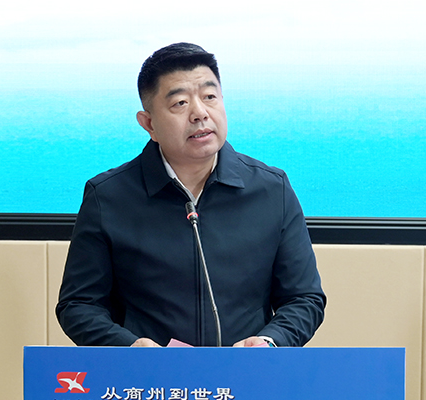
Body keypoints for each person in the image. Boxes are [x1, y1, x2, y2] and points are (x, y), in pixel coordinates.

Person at [57, 42, 325, 347]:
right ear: (149, 124)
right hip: (151, 374)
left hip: (246, 371)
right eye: (180, 103)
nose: (200, 113)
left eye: (210, 97)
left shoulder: (271, 189)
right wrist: (128, 347)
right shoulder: (108, 197)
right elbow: (78, 305)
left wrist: (270, 341)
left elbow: (304, 298)